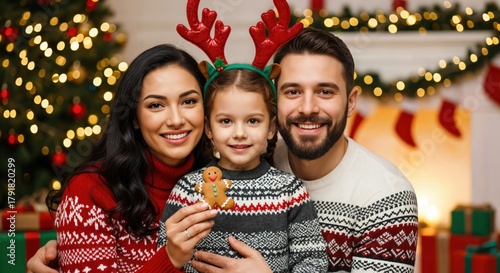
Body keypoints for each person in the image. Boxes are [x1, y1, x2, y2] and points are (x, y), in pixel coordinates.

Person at [27, 28, 418, 273]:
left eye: (188, 101)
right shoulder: (198, 178)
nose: (176, 120)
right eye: (293, 92)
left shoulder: (382, 195)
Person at [189, 28, 419, 273]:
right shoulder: (250, 157)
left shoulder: (387, 196)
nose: (308, 108)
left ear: (351, 102)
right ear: (274, 102)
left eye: (325, 92)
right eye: (293, 92)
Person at [45, 44, 220, 272]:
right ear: (134, 118)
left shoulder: (219, 182)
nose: (176, 119)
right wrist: (169, 259)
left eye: (188, 101)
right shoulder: (89, 192)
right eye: (156, 105)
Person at [160, 66, 328, 273]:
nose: (239, 133)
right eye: (226, 121)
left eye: (253, 121)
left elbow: (313, 263)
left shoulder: (290, 191)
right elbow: (167, 257)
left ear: (271, 128)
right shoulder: (187, 189)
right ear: (209, 128)